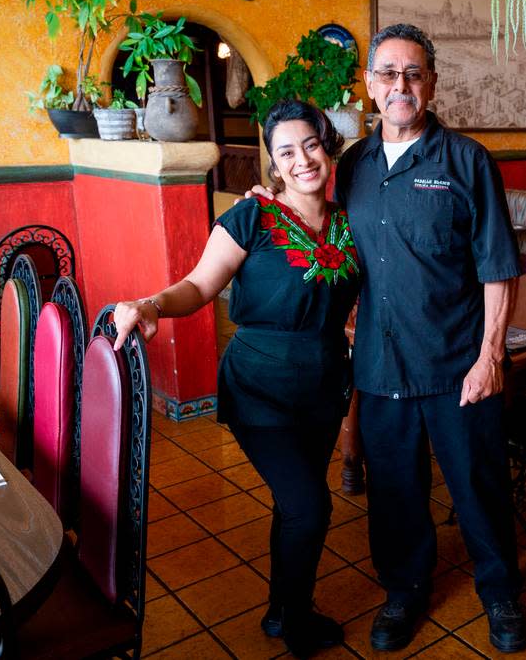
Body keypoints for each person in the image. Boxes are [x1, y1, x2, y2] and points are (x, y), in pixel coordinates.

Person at [306, 22, 526, 653]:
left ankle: (500, 594)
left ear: (430, 84)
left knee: (479, 485)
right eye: (388, 74)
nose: (400, 85)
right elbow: (321, 237)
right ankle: (404, 592)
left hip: (459, 363)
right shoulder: (352, 167)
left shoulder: (467, 161)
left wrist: (489, 356)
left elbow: (497, 266)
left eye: (413, 74)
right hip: (380, 365)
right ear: (371, 84)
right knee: (396, 492)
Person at [113, 100, 360, 658]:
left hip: (322, 386)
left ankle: (278, 609)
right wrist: (151, 304)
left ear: (328, 146)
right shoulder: (251, 217)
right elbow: (198, 287)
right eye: (287, 152)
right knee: (311, 506)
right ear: (273, 163)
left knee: (293, 505)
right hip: (260, 387)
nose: (303, 160)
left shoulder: (350, 222)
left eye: (312, 145)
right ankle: (297, 620)